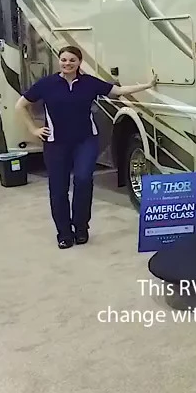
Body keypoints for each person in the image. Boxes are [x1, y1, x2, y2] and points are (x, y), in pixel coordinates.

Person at [15, 46, 156, 249]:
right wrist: (34, 129)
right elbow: (21, 105)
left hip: (85, 140)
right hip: (56, 143)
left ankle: (81, 227)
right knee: (58, 188)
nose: (67, 63)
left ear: (79, 62)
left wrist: (147, 85)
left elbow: (117, 91)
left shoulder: (89, 83)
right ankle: (64, 233)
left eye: (72, 60)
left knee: (83, 180)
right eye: (64, 60)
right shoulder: (47, 84)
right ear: (59, 61)